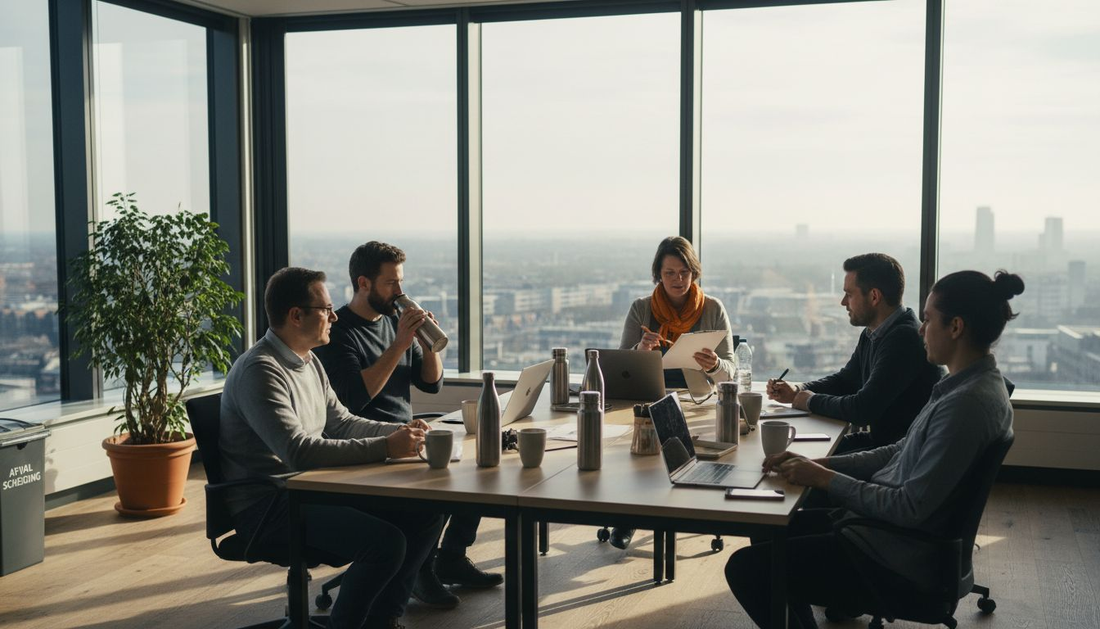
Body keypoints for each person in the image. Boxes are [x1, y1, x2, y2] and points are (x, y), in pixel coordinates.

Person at [726, 269, 1024, 629]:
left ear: (956, 327)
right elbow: (899, 450)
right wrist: (821, 465)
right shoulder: (965, 385)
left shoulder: (965, 406)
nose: (920, 329)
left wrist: (826, 479)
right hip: (890, 536)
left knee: (746, 568)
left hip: (894, 553)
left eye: (928, 319)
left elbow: (908, 507)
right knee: (771, 524)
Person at [220, 267, 444, 629]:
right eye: (325, 309)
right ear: (296, 316)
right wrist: (386, 446)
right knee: (384, 543)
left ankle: (381, 621)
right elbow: (299, 451)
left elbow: (340, 422)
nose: (334, 316)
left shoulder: (308, 360)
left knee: (424, 513)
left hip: (313, 488)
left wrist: (403, 432)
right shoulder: (260, 371)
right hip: (272, 505)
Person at [314, 241, 501, 610]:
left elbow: (431, 384)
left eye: (400, 282)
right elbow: (353, 399)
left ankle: (449, 558)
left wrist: (427, 344)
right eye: (390, 284)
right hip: (370, 444)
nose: (399, 292)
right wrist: (400, 343)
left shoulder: (392, 323)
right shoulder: (337, 332)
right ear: (363, 283)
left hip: (408, 436)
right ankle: (418, 571)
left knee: (479, 467)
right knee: (440, 492)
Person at [610, 236, 736, 550]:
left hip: (697, 400)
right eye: (669, 273)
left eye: (684, 272)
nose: (677, 280)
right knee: (639, 451)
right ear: (658, 275)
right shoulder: (642, 309)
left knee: (685, 448)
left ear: (694, 273)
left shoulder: (713, 308)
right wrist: (641, 349)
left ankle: (680, 510)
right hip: (650, 397)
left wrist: (715, 363)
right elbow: (620, 365)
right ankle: (629, 516)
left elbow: (731, 371)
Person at [766, 253, 944, 454]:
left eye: (849, 294)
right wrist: (798, 389)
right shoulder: (873, 333)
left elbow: (862, 410)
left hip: (897, 455)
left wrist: (808, 400)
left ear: (874, 296)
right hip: (882, 443)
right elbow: (846, 380)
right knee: (796, 453)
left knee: (796, 460)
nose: (843, 302)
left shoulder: (904, 339)